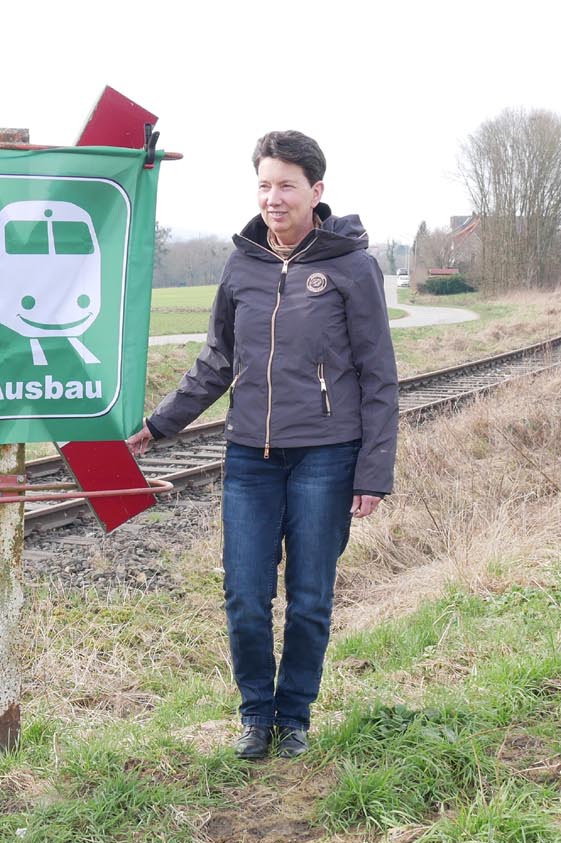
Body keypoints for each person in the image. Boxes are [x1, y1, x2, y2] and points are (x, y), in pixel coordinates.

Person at [127, 131, 398, 761]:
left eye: (287, 185)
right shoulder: (242, 264)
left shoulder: (352, 267)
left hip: (326, 455)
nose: (274, 198)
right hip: (250, 455)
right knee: (246, 596)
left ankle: (294, 716)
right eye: (264, 185)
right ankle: (255, 715)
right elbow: (217, 360)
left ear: (316, 191)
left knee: (309, 598)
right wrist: (160, 425)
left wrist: (373, 473)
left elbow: (379, 375)